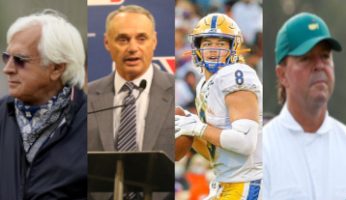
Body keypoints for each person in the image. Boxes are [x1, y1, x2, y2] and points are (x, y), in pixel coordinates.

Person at [87, 5, 174, 200]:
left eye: (141, 38)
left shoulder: (179, 93)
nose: (133, 48)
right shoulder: (87, 96)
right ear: (107, 43)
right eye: (123, 39)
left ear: (154, 41)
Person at [0, 10, 87, 199]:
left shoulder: (91, 120)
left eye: (20, 60)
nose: (7, 69)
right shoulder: (1, 113)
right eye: (7, 57)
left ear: (56, 68)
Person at [263, 12, 346, 199]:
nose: (319, 65)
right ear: (282, 75)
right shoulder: (262, 150)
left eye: (325, 56)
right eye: (306, 58)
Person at [175, 13, 262, 200]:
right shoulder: (203, 85)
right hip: (224, 182)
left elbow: (245, 142)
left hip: (246, 183)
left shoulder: (236, 75)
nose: (214, 50)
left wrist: (198, 127)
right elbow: (217, 154)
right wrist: (191, 130)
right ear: (198, 49)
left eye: (221, 44)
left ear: (234, 47)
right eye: (207, 44)